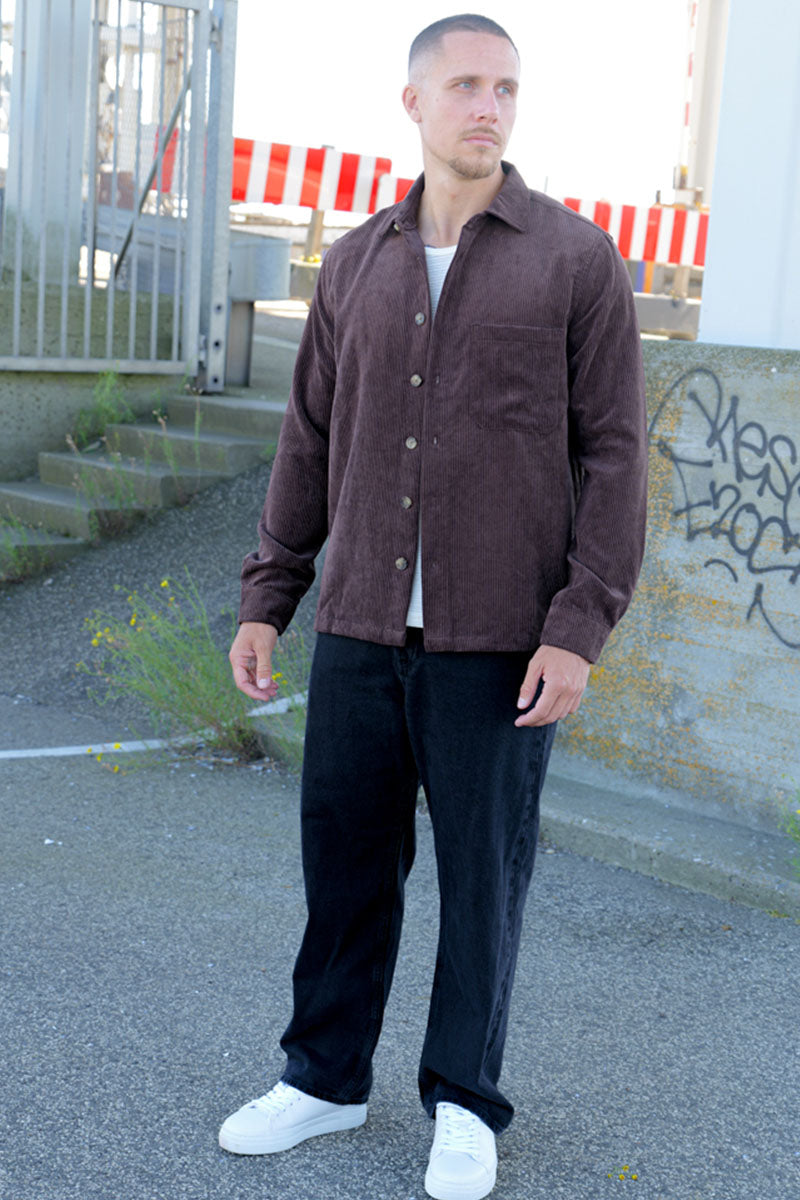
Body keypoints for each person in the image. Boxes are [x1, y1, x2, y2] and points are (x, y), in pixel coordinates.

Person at [222, 13, 647, 1200]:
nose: (486, 107)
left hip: (499, 641)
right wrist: (269, 595)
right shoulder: (355, 264)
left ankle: (463, 1102)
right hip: (360, 626)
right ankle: (322, 1079)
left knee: (481, 883)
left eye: (504, 87)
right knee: (344, 871)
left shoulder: (574, 261)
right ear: (412, 103)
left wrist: (577, 628)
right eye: (463, 85)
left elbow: (615, 457)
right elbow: (307, 441)